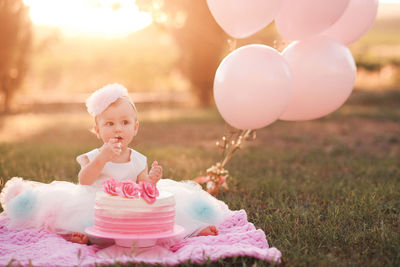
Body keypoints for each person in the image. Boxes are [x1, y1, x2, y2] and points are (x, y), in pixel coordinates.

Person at [0, 83, 231, 245]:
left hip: (129, 205)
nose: (118, 128)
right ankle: (88, 236)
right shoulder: (94, 155)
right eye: (109, 124)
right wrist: (102, 158)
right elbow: (84, 181)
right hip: (98, 202)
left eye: (124, 122)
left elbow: (144, 188)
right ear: (98, 130)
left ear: (135, 128)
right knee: (84, 219)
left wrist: (151, 179)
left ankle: (192, 229)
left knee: (162, 213)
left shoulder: (138, 158)